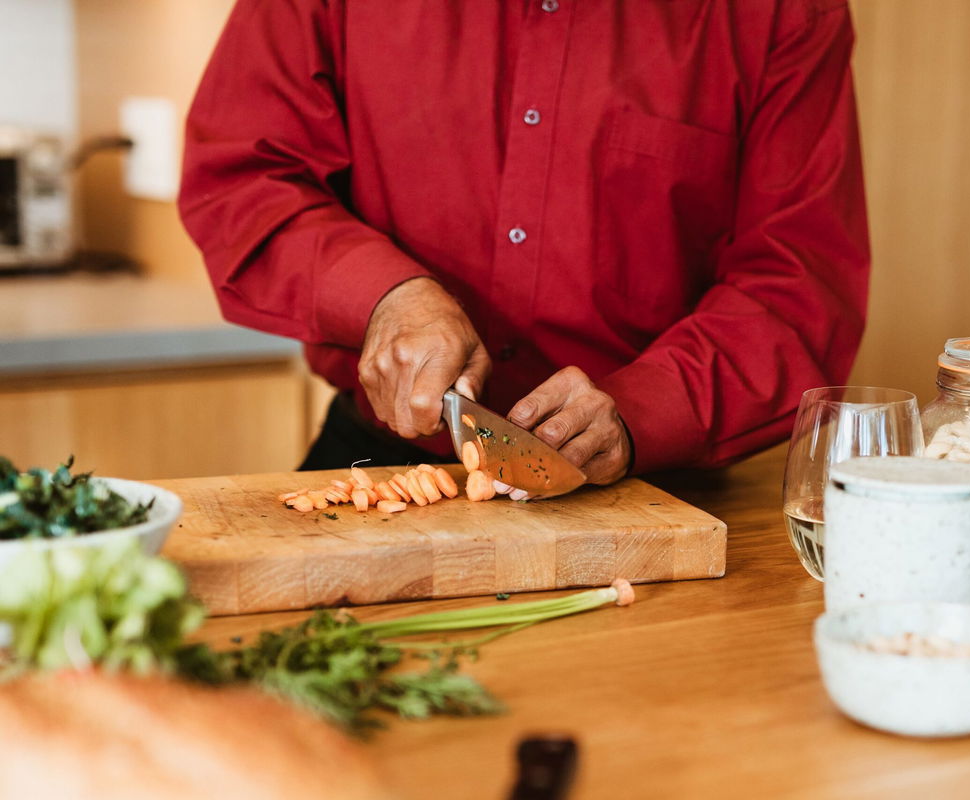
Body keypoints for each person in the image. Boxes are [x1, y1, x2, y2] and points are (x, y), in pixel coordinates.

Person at [179, 0, 870, 485]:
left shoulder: (784, 13)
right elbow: (243, 178)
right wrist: (384, 295)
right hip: (383, 459)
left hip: (648, 488)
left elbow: (795, 282)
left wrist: (641, 410)